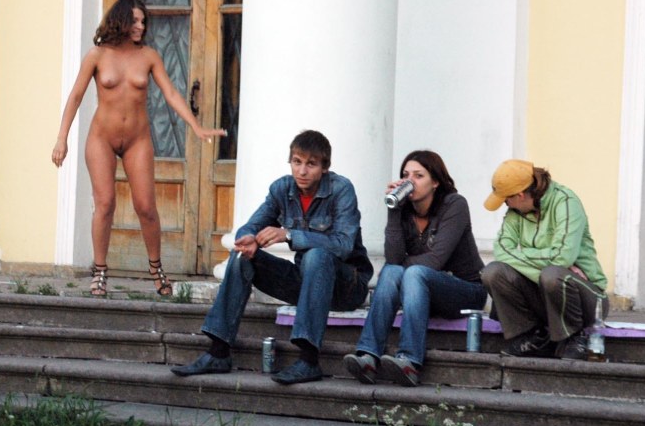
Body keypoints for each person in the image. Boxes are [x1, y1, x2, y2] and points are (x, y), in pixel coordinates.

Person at [52, 0, 225, 297]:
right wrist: (61, 138)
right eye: (135, 21)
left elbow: (171, 94)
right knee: (105, 204)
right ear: (120, 20)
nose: (140, 26)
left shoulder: (148, 56)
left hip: (137, 139)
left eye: (143, 21)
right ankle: (100, 272)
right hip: (101, 139)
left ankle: (156, 269)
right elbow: (76, 96)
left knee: (146, 207)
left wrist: (196, 127)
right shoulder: (97, 55)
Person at [171, 130, 373, 385]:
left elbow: (343, 246)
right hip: (306, 285)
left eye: (311, 164)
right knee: (242, 255)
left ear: (325, 167)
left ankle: (309, 360)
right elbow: (249, 226)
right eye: (297, 162)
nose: (302, 171)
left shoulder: (341, 189)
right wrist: (249, 239)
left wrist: (288, 234)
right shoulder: (282, 189)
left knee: (317, 256)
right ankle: (218, 352)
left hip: (347, 287)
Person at [342, 150, 486, 387]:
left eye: (418, 176)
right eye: (406, 175)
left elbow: (436, 260)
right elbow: (393, 258)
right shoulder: (405, 210)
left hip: (466, 291)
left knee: (410, 272)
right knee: (392, 271)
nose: (410, 181)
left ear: (435, 182)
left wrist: (400, 268)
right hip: (420, 291)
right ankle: (368, 356)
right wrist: (393, 211)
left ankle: (409, 361)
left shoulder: (454, 204)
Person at [480, 159, 608, 360]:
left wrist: (547, 266)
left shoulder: (566, 202)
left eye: (506, 199)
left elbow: (562, 256)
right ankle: (533, 338)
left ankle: (574, 337)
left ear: (520, 195)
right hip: (545, 294)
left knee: (553, 276)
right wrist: (549, 267)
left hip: (589, 299)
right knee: (493, 272)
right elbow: (502, 251)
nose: (506, 204)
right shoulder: (516, 212)